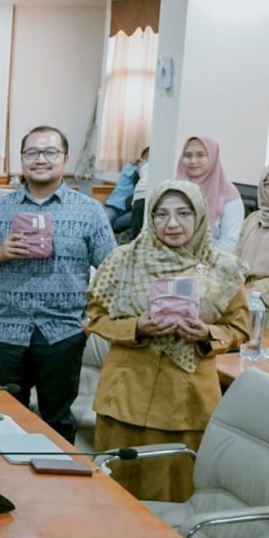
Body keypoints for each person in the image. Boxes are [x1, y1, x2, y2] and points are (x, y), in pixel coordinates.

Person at [87, 180, 250, 501]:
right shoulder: (123, 260)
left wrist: (207, 334)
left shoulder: (223, 269)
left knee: (171, 501)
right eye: (161, 214)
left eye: (183, 213)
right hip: (124, 400)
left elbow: (240, 330)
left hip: (185, 405)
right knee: (112, 498)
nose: (172, 223)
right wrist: (136, 327)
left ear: (201, 216)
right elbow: (96, 319)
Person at [0, 126, 117, 443]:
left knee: (58, 421)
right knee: (5, 419)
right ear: (21, 159)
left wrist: (93, 318)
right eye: (32, 153)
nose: (41, 159)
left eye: (50, 152)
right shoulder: (0, 208)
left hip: (63, 332)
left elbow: (112, 271)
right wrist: (0, 252)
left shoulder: (89, 211)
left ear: (65, 158)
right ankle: (7, 487)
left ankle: (60, 488)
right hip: (10, 331)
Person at [175, 136, 244, 253]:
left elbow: (229, 240)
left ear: (212, 157)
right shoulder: (170, 187)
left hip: (208, 263)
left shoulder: (228, 193)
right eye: (187, 156)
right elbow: (151, 226)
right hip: (167, 260)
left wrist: (199, 263)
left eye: (200, 155)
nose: (193, 161)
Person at [238, 166, 269, 295]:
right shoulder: (252, 219)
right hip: (240, 295)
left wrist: (256, 291)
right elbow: (234, 259)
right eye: (267, 184)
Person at [105, 148, 148, 234]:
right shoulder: (131, 166)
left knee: (138, 218)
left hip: (130, 208)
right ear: (143, 157)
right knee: (104, 224)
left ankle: (116, 228)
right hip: (116, 204)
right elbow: (137, 176)